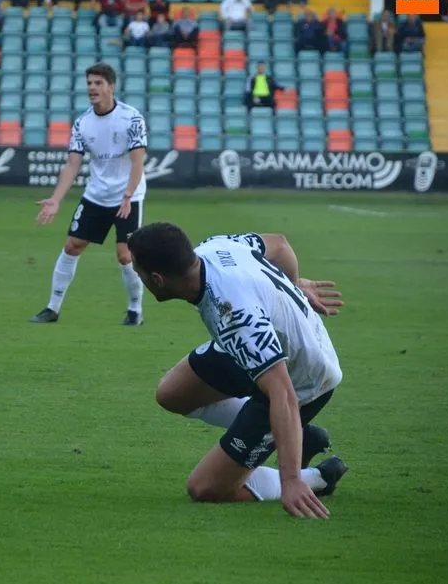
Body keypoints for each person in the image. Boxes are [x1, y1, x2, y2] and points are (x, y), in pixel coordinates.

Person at [126, 225, 348, 518]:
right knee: (173, 393)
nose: (138, 277)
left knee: (205, 488)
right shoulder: (213, 247)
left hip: (304, 379)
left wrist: (291, 479)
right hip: (263, 344)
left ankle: (317, 477)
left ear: (158, 279)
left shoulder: (237, 320)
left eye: (138, 272)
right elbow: (279, 244)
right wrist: (293, 286)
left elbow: (283, 393)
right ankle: (296, 435)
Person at [31, 62, 148, 326]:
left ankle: (135, 311)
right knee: (72, 245)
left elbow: (137, 162)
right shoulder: (82, 123)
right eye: (89, 83)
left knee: (125, 255)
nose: (92, 88)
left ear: (111, 87)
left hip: (128, 196)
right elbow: (72, 164)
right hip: (97, 195)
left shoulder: (131, 118)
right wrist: (56, 199)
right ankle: (52, 308)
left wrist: (128, 195)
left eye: (98, 83)